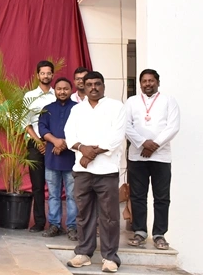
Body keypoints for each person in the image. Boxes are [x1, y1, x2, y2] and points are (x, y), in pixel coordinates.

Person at [64, 71, 126, 273]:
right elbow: (69, 135)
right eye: (89, 84)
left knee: (109, 216)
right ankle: (83, 253)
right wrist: (82, 148)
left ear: (103, 86)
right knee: (84, 214)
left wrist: (90, 154)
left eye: (97, 84)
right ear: (83, 86)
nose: (93, 87)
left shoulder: (116, 107)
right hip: (82, 171)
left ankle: (110, 257)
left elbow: (116, 137)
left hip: (106, 171)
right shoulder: (77, 109)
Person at [124, 69, 180, 250]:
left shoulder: (169, 101)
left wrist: (154, 145)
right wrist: (143, 144)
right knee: (138, 196)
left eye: (151, 80)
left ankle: (159, 234)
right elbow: (126, 126)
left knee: (162, 197)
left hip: (161, 157)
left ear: (158, 82)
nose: (148, 84)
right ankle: (140, 231)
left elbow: (173, 127)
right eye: (144, 81)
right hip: (137, 156)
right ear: (140, 84)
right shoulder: (131, 101)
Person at [38, 77, 78, 240]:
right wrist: (55, 141)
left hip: (72, 159)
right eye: (59, 89)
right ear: (55, 91)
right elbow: (42, 128)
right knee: (53, 195)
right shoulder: (47, 109)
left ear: (71, 90)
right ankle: (54, 225)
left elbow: (81, 130)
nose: (62, 92)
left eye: (65, 89)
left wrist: (65, 144)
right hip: (52, 159)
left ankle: (72, 227)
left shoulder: (78, 109)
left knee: (72, 195)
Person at [24, 60, 56, 233]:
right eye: (42, 73)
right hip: (35, 143)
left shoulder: (57, 94)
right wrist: (38, 141)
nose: (45, 76)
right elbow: (26, 122)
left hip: (55, 145)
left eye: (48, 73)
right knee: (37, 185)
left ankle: (54, 223)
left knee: (54, 185)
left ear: (52, 75)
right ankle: (39, 222)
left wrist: (49, 142)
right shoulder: (30, 96)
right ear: (38, 75)